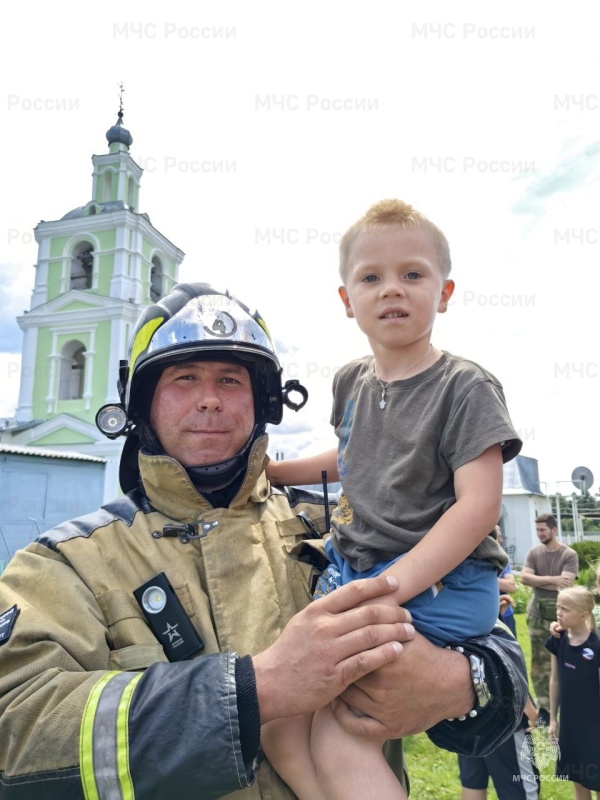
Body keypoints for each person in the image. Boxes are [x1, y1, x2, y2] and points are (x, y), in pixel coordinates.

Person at [0, 283, 527, 800]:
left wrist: (463, 680)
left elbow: (491, 636)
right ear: (141, 402)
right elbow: (17, 730)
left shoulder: (345, 528)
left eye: (231, 381)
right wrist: (253, 691)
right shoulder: (64, 564)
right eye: (184, 378)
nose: (209, 401)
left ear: (262, 402)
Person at [263, 199, 523, 799]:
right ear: (346, 299)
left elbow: (478, 506)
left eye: (412, 274)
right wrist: (278, 472)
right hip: (363, 575)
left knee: (340, 734)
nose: (391, 290)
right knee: (279, 723)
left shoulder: (466, 387)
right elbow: (350, 458)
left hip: (441, 584)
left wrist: (392, 585)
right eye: (371, 277)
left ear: (445, 291)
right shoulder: (351, 381)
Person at [521, 513, 579, 726]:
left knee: (567, 661)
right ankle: (544, 707)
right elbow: (525, 578)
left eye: (543, 530)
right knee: (539, 663)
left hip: (563, 615)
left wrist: (538, 581)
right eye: (537, 530)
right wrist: (552, 579)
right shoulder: (534, 553)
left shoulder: (568, 554)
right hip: (537, 615)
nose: (539, 534)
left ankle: (567, 704)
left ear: (554, 530)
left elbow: (566, 583)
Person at [546, 587, 600, 799]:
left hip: (594, 725)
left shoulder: (596, 647)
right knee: (577, 778)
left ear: (583, 616)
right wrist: (552, 719)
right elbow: (555, 680)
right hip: (569, 723)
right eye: (558, 606)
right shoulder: (557, 640)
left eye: (565, 609)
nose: (559, 612)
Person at [457, 695, 540, 799]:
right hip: (503, 715)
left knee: (473, 785)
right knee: (519, 788)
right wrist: (528, 706)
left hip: (466, 717)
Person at [497, 526, 517, 636]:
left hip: (507, 615)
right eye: (498, 536)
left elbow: (511, 586)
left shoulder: (503, 561)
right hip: (491, 617)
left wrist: (486, 579)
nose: (501, 540)